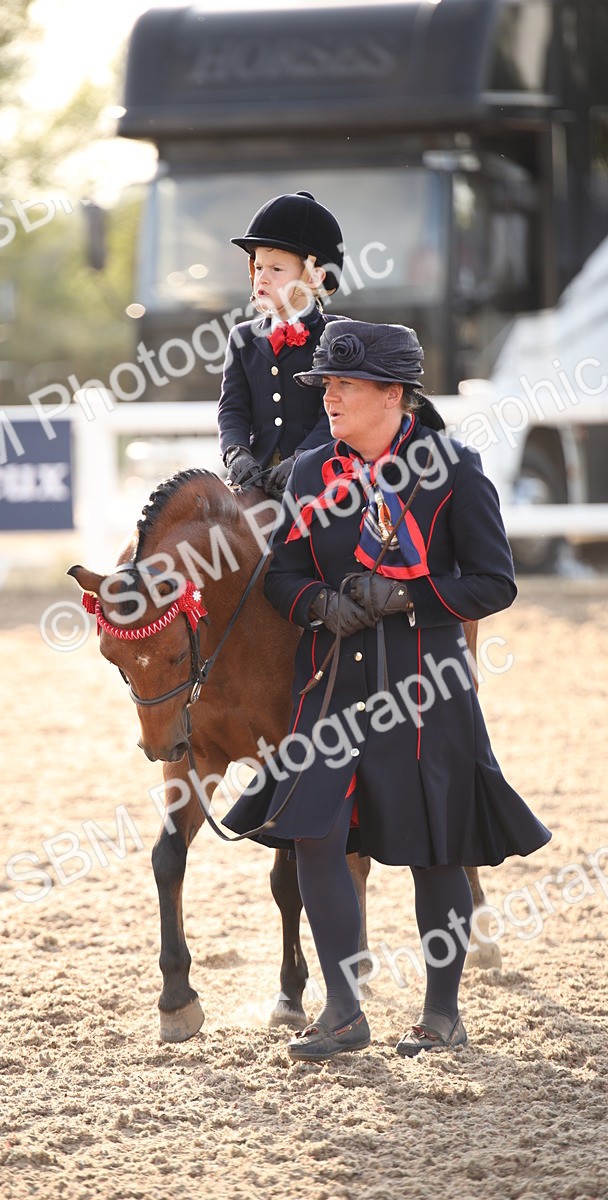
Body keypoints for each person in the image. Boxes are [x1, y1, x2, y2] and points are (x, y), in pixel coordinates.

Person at [223, 319, 552, 1061]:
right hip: (333, 684)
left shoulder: (456, 471)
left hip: (425, 687)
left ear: (393, 394)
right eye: (326, 386)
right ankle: (343, 1010)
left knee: (437, 847)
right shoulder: (312, 474)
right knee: (312, 831)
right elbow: (283, 573)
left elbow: (494, 582)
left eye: (343, 385)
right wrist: (317, 604)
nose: (329, 399)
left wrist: (408, 599)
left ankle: (442, 1015)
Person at [218, 190, 345, 499]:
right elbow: (232, 408)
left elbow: (334, 414)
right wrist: (236, 453)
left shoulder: (338, 335)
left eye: (276, 270)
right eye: (259, 267)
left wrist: (302, 459)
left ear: (314, 276)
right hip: (256, 479)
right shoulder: (242, 338)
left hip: (319, 480)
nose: (262, 278)